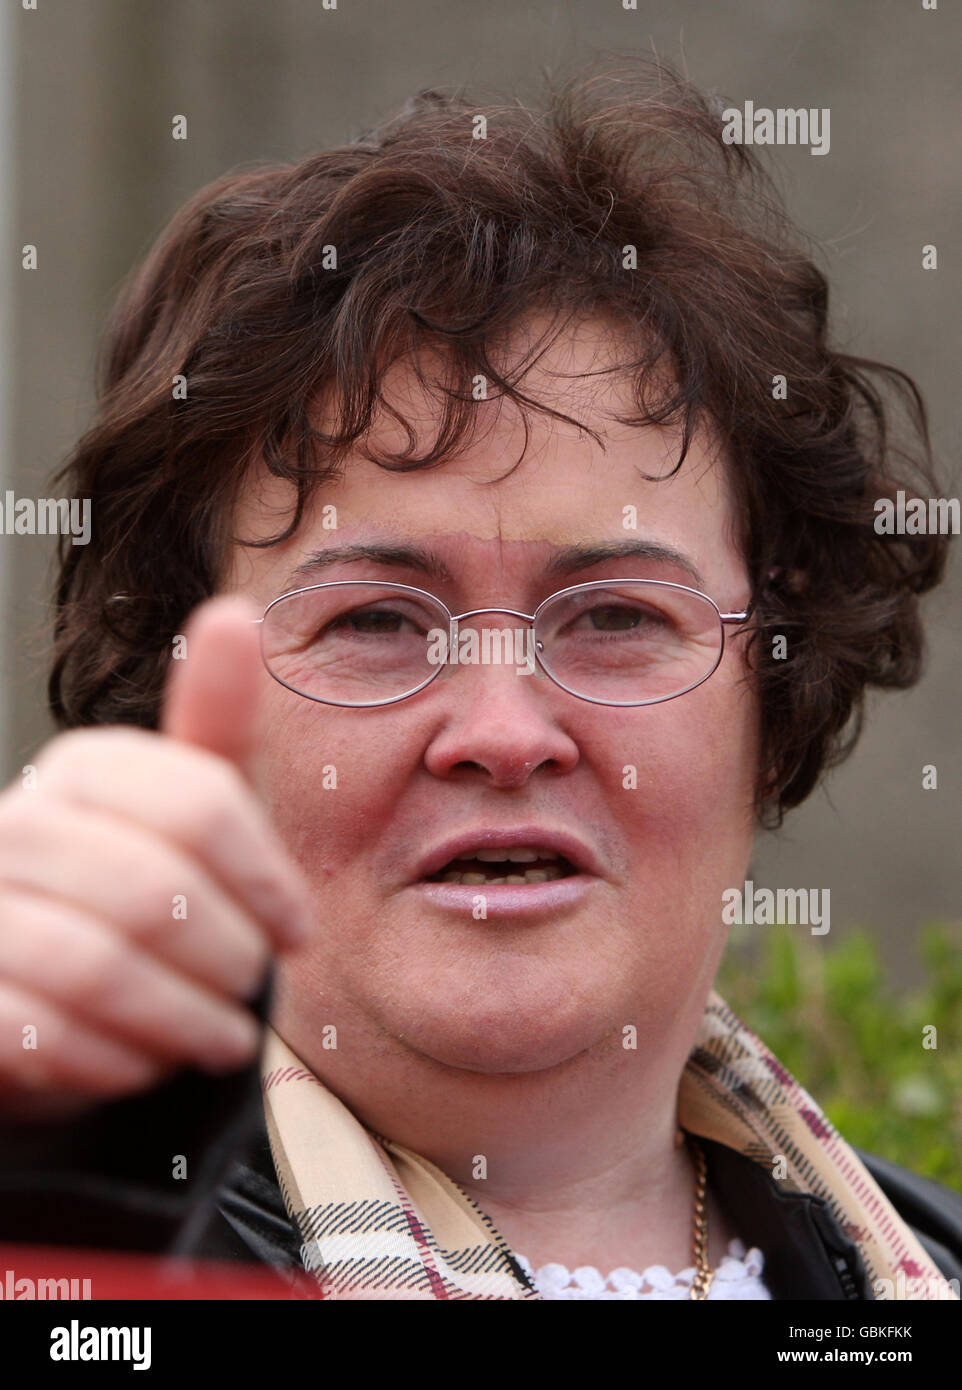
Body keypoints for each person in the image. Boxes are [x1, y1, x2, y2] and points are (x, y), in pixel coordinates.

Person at [0, 55, 960, 1302]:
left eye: (615, 614)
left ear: (771, 708)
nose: (504, 732)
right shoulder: (77, 1261)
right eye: (378, 622)